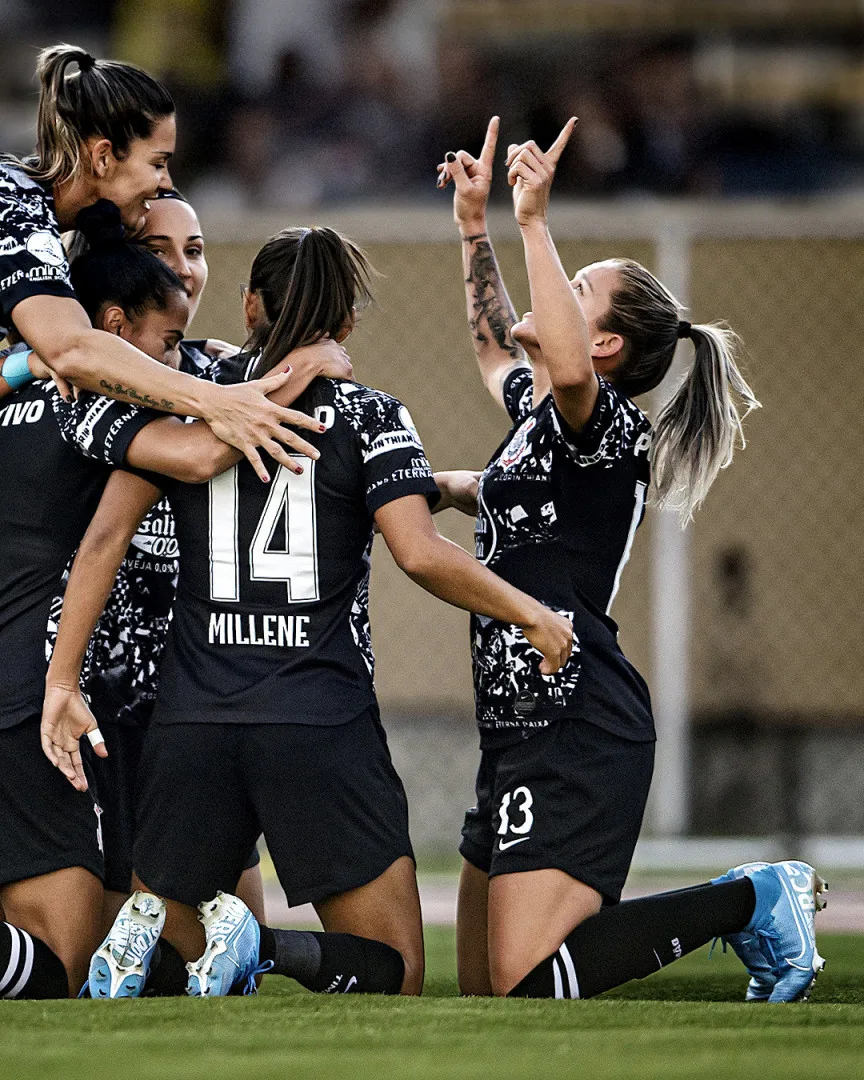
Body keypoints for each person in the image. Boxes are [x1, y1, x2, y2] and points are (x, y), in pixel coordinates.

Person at [43, 224, 573, 1000]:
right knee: (393, 970)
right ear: (348, 324)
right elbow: (420, 554)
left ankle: (163, 938)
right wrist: (529, 612)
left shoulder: (192, 405)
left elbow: (103, 541)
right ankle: (266, 948)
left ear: (249, 305)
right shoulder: (370, 417)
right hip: (317, 719)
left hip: (193, 719)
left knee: (172, 927)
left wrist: (63, 678)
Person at [436, 118, 825, 1004]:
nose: (557, 293)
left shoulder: (603, 424)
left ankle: (753, 898)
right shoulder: (546, 421)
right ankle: (750, 901)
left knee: (529, 981)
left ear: (604, 346)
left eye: (577, 290)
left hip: (579, 718)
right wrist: (473, 225)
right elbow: (500, 347)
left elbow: (565, 372)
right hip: (520, 721)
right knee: (483, 999)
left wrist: (533, 219)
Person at [0, 202, 336, 999]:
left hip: (120, 698)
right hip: (57, 690)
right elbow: (196, 452)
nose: (185, 266)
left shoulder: (25, 380)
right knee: (73, 953)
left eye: (195, 248)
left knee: (157, 944)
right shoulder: (88, 402)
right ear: (110, 321)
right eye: (163, 251)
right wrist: (302, 368)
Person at [0, 42, 319, 478]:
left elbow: (62, 350)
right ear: (103, 156)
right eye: (158, 163)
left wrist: (31, 363)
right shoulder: (14, 207)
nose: (164, 182)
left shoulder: (30, 211)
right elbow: (73, 348)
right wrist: (215, 400)